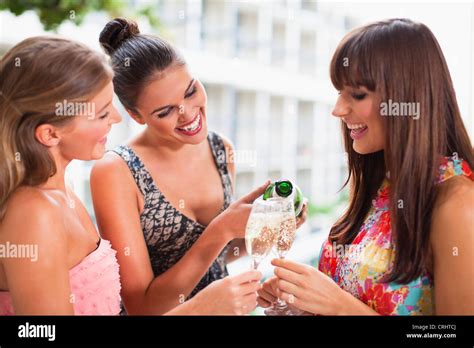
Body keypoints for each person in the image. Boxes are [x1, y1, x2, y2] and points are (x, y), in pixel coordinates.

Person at [0, 36, 262, 315]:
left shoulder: (64, 194)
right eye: (102, 114)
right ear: (50, 134)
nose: (116, 118)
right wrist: (198, 310)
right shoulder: (34, 211)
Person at [258, 18, 474, 315]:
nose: (338, 110)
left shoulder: (458, 203)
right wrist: (305, 302)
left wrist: (340, 307)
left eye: (357, 95)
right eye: (339, 92)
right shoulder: (378, 182)